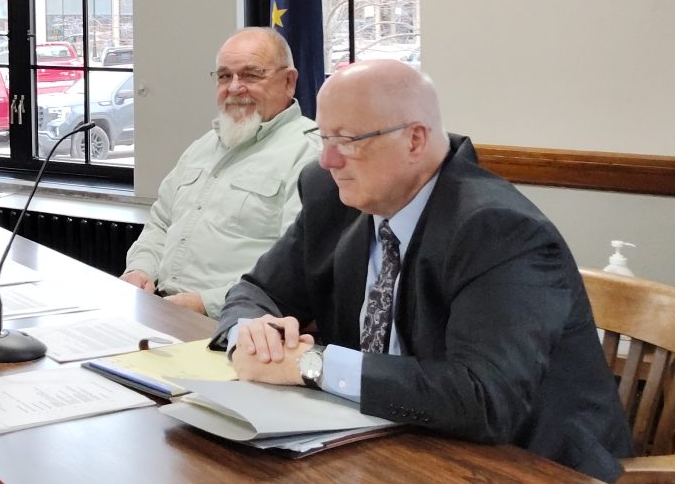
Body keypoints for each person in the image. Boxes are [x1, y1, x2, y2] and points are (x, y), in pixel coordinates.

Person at [215, 60, 631, 481]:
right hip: (386, 445)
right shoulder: (333, 195)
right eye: (324, 137)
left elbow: (485, 398)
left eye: (346, 140)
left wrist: (313, 365)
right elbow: (256, 291)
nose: (328, 159)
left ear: (414, 139)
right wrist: (252, 335)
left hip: (525, 465)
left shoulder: (497, 229)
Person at [118, 28, 319, 318]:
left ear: (289, 82)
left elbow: (295, 270)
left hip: (236, 322)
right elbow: (161, 223)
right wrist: (140, 270)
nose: (235, 88)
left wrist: (204, 303)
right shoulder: (203, 146)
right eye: (225, 76)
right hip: (163, 309)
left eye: (251, 75)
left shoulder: (310, 155)